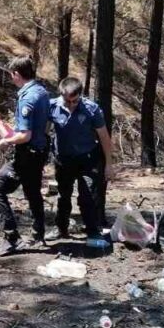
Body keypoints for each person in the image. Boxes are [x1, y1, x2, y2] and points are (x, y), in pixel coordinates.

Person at [0, 56, 51, 255]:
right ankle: (38, 235)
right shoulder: (42, 92)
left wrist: (6, 140)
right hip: (39, 152)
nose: (11, 78)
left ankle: (12, 238)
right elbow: (43, 125)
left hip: (26, 156)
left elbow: (25, 135)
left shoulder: (27, 97)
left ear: (16, 74)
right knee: (32, 193)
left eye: (11, 75)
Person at [47, 76, 115, 244]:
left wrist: (109, 164)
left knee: (88, 196)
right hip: (63, 160)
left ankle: (93, 230)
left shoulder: (92, 109)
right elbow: (44, 131)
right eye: (67, 101)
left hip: (88, 159)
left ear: (81, 95)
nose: (71, 105)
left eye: (75, 101)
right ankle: (61, 228)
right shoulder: (52, 107)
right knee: (64, 195)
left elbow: (105, 138)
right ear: (61, 95)